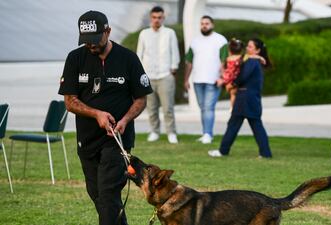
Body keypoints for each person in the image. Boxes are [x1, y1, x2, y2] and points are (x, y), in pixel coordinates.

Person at [58, 11, 153, 225]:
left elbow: (141, 99)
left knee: (108, 192)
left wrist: (126, 119)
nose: (90, 45)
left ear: (108, 32)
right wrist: (97, 114)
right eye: (86, 40)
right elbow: (70, 101)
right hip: (87, 139)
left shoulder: (128, 58)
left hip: (117, 139)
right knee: (99, 195)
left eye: (95, 40)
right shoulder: (75, 58)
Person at [208, 38, 273, 158]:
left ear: (257, 50)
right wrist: (258, 57)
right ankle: (265, 153)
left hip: (245, 98)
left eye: (250, 47)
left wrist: (231, 84)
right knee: (255, 125)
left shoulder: (252, 62)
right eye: (247, 46)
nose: (247, 49)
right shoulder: (252, 60)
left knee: (234, 125)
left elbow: (242, 77)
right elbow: (241, 61)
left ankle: (223, 151)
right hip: (251, 99)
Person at [137, 6, 180, 144]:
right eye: (154, 17)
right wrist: (140, 73)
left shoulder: (170, 33)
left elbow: (175, 52)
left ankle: (171, 132)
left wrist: (173, 68)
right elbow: (139, 54)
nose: (157, 20)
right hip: (148, 76)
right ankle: (154, 131)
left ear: (163, 18)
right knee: (151, 107)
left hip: (165, 75)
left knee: (168, 107)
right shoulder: (144, 33)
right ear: (151, 18)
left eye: (159, 17)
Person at [184, 15, 228, 144]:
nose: (204, 25)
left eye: (207, 23)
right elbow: (189, 62)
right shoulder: (195, 41)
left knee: (209, 108)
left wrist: (222, 77)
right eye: (202, 23)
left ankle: (208, 134)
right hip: (197, 80)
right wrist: (186, 80)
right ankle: (205, 133)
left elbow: (224, 61)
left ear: (212, 25)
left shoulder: (220, 40)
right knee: (203, 108)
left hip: (213, 80)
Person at [222, 38, 243, 109]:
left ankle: (232, 107)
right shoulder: (241, 58)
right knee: (236, 94)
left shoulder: (228, 59)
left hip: (228, 78)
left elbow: (225, 68)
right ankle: (234, 107)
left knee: (232, 94)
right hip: (236, 77)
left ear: (230, 51)